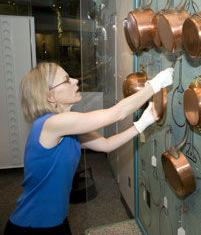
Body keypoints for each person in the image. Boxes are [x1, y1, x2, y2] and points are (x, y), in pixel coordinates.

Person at [4, 62, 174, 235]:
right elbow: (117, 113)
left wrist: (140, 125)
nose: (75, 80)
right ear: (51, 97)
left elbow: (107, 145)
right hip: (32, 226)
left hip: (57, 220)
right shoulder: (50, 124)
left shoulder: (66, 127)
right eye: (66, 80)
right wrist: (155, 85)